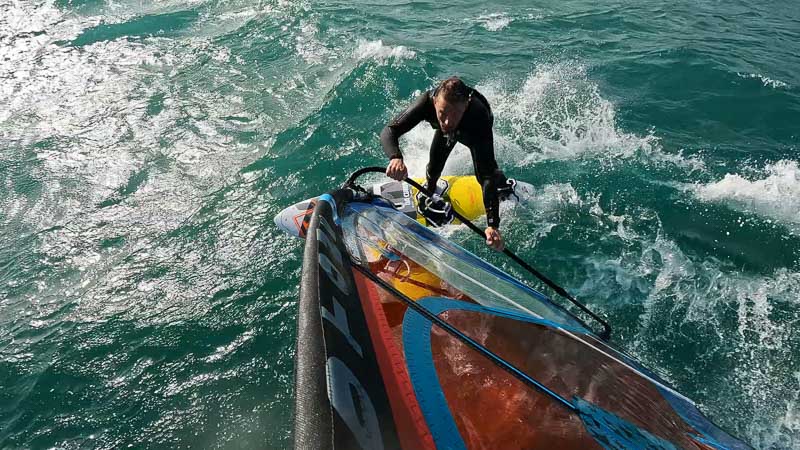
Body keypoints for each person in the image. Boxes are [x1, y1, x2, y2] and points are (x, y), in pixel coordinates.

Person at [380, 76, 510, 251]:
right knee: (434, 167)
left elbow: (486, 177)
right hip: (448, 129)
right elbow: (390, 130)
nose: (447, 121)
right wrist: (395, 157)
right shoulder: (426, 102)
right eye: (442, 113)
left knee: (488, 171)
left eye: (454, 114)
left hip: (472, 129)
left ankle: (502, 185)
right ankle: (430, 190)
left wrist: (493, 225)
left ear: (466, 105)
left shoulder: (478, 116)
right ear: (435, 102)